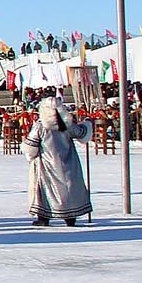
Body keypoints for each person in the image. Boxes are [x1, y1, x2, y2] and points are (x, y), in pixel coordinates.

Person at [22, 97, 92, 227]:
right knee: (69, 188)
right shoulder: (66, 124)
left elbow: (31, 146)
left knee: (45, 191)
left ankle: (43, 218)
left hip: (46, 164)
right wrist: (87, 123)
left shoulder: (40, 126)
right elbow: (82, 133)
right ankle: (70, 217)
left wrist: (31, 156)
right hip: (68, 162)